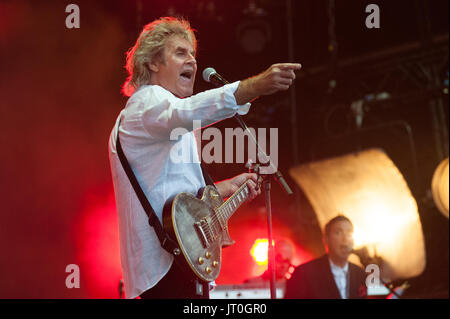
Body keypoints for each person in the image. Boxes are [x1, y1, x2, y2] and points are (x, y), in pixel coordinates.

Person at [108, 17, 301, 299]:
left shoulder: (166, 118)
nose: (193, 61)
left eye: (193, 55)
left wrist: (225, 189)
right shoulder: (146, 104)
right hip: (165, 268)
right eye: (180, 53)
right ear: (152, 62)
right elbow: (187, 112)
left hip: (183, 262)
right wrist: (254, 86)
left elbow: (174, 197)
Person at [284, 215, 367, 299]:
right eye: (338, 232)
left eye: (349, 233)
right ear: (326, 239)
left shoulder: (360, 274)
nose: (345, 239)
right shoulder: (303, 274)